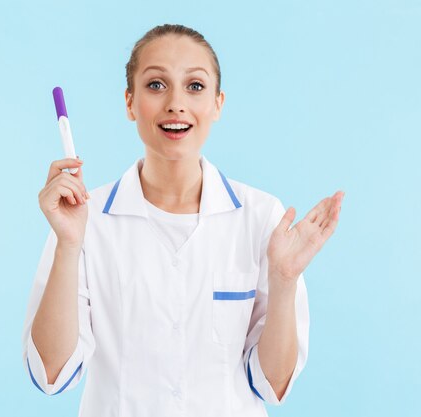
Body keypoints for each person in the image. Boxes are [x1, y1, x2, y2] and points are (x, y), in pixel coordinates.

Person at [22, 23, 344, 417]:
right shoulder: (82, 219)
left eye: (195, 86)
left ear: (218, 103)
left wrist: (284, 281)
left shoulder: (262, 218)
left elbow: (272, 386)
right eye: (156, 85)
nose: (176, 103)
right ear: (129, 102)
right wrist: (70, 245)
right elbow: (51, 374)